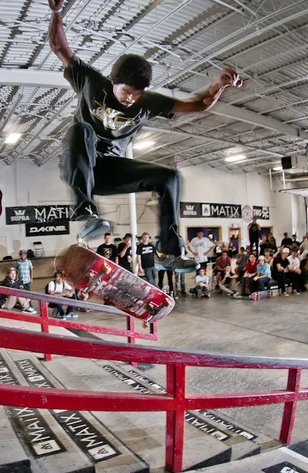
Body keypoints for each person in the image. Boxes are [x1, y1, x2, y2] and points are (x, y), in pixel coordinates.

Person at [48, 0, 241, 270]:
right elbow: (60, 48)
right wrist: (57, 13)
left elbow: (199, 104)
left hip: (110, 171)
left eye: (137, 95)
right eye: (127, 92)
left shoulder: (147, 103)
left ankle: (170, 253)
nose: (130, 99)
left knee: (170, 176)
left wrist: (219, 85)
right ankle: (87, 212)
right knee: (82, 129)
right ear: (113, 82)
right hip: (81, 163)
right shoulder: (91, 82)